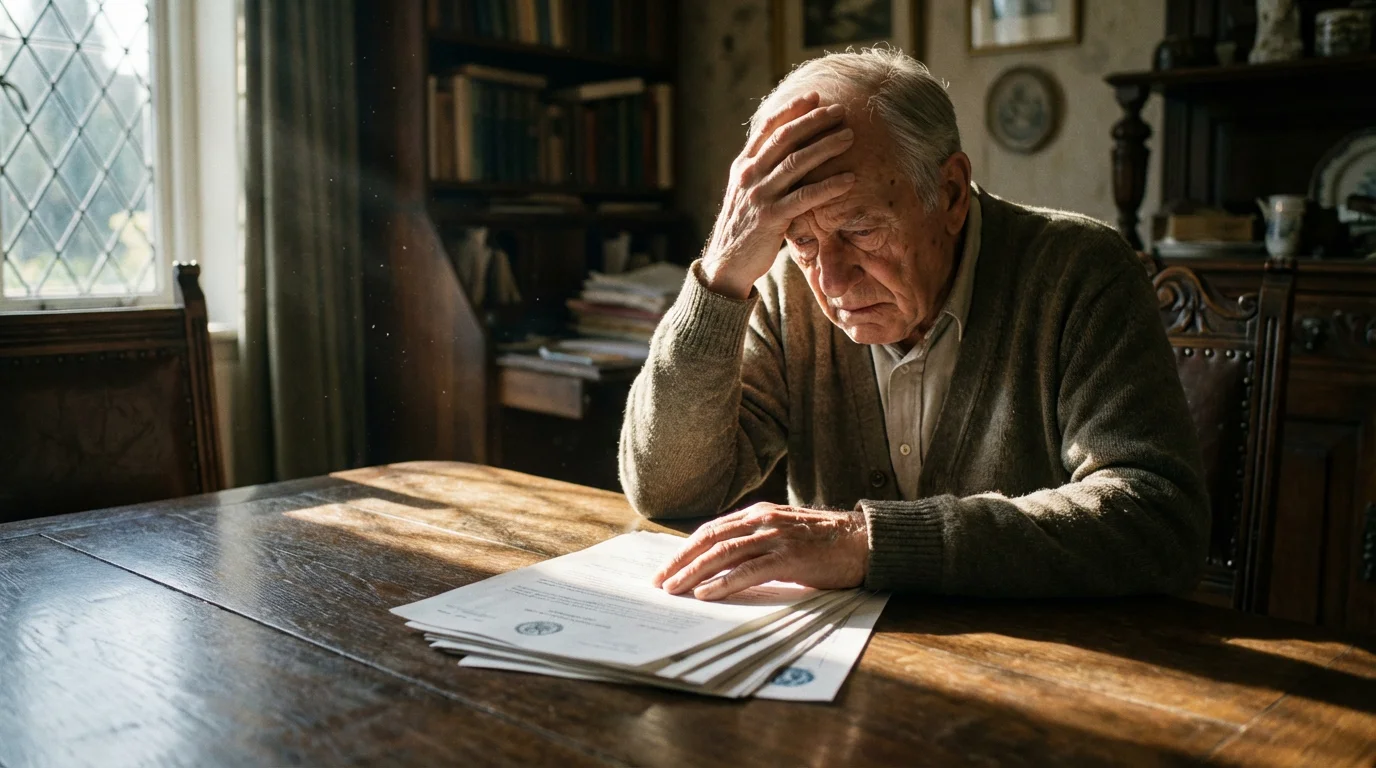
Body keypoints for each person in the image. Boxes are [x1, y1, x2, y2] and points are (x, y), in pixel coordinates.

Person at [620, 49, 1208, 602]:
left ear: (950, 193)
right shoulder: (784, 290)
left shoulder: (1081, 270)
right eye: (801, 240)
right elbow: (670, 492)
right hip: (839, 670)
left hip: (1042, 669)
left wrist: (867, 541)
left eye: (861, 230)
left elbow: (1159, 517)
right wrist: (722, 276)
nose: (832, 278)